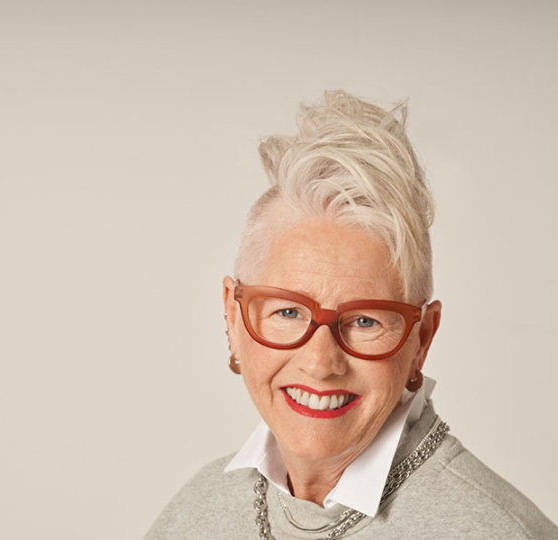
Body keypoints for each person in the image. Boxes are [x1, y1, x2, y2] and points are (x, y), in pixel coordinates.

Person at [145, 91, 558, 539]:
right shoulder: (196, 512)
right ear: (232, 315)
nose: (321, 364)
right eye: (288, 311)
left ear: (422, 339)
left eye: (365, 321)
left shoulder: (494, 530)